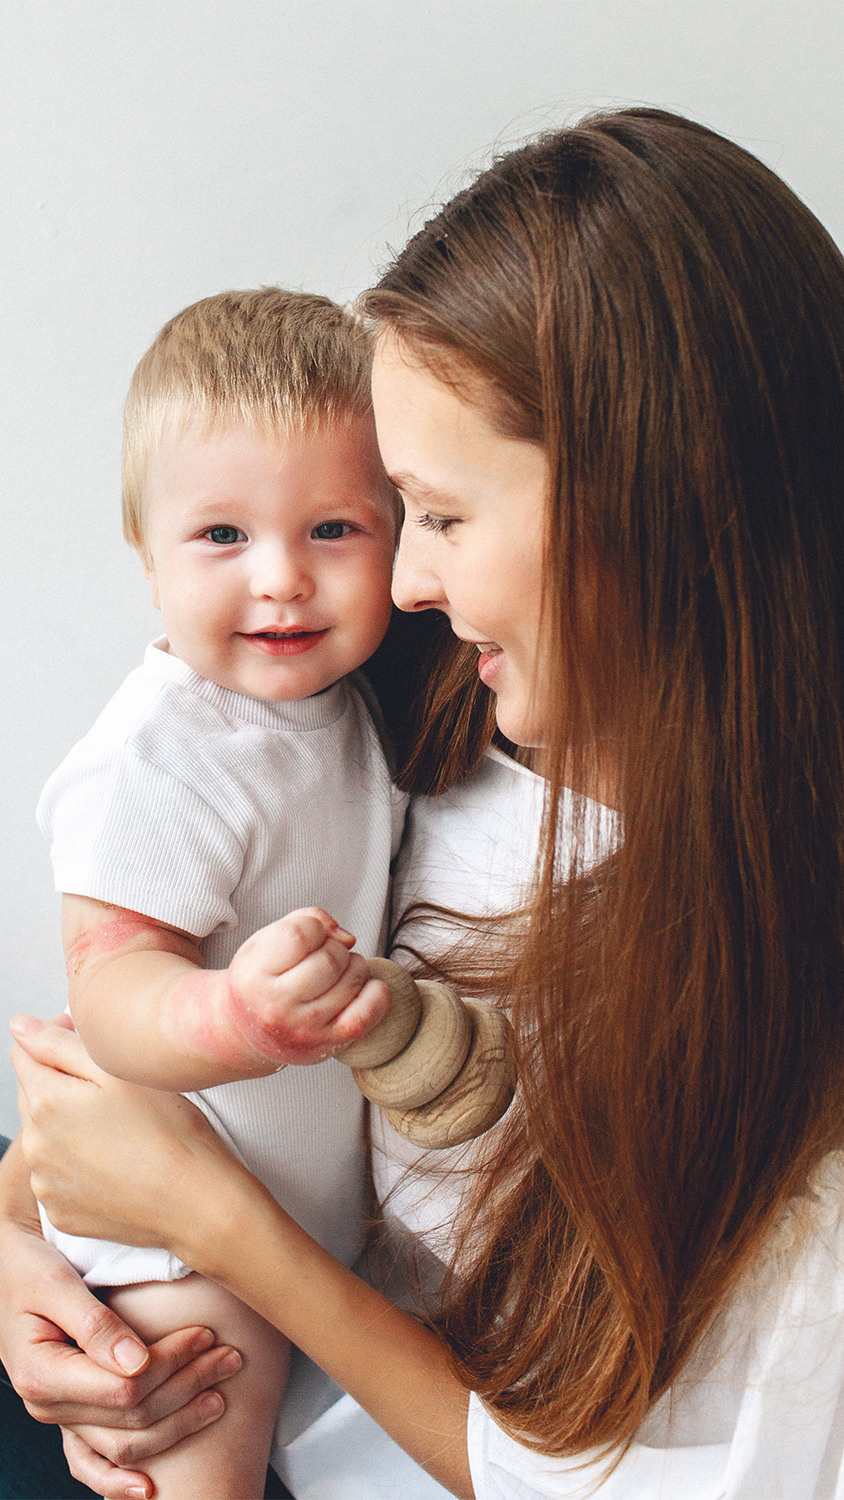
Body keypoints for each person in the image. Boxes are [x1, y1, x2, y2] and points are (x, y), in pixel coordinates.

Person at [7, 104, 844, 1499]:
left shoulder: (782, 1012)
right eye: (392, 516)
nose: (397, 584)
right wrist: (35, 1275)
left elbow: (578, 1479)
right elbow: (104, 1036)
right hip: (198, 1320)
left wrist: (212, 1227)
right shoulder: (415, 697)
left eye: (439, 518)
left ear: (657, 508)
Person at [26, 286, 405, 1498]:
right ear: (147, 559)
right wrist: (232, 1016)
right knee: (199, 1468)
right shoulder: (159, 757)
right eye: (223, 538)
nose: (283, 580)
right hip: (176, 1234)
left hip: (306, 1219)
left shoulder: (345, 707)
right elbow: (116, 990)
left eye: (335, 530)